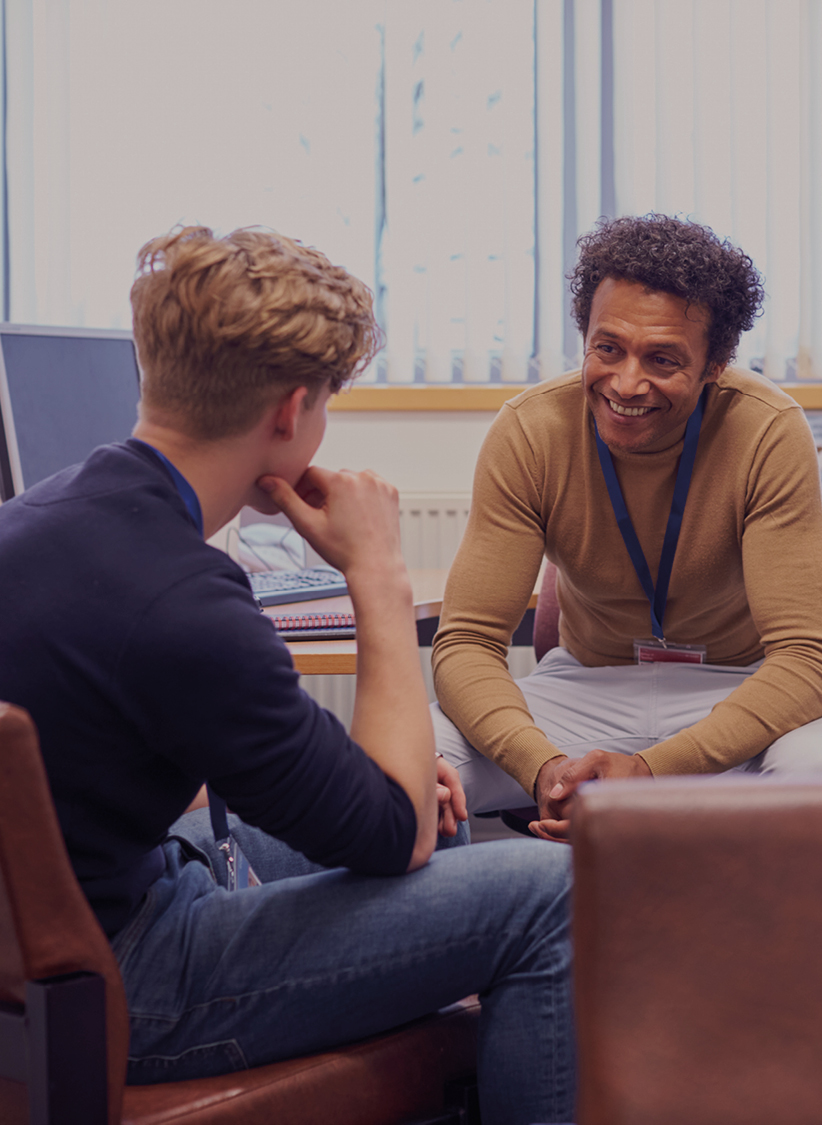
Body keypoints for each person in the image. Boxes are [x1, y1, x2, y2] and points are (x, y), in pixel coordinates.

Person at [0, 226, 573, 1125]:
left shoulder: (45, 513)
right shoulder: (184, 602)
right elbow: (391, 835)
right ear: (291, 410)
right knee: (551, 895)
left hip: (57, 931)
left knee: (444, 822)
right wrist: (376, 573)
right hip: (123, 980)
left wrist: (380, 791)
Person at [431, 214, 822, 842]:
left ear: (714, 363)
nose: (626, 383)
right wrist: (546, 769)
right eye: (607, 348)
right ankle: (479, 932)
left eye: (662, 358)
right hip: (584, 690)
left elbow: (806, 661)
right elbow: (467, 644)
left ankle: (765, 944)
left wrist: (653, 771)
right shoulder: (531, 431)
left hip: (735, 689)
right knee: (410, 763)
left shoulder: (767, 430)